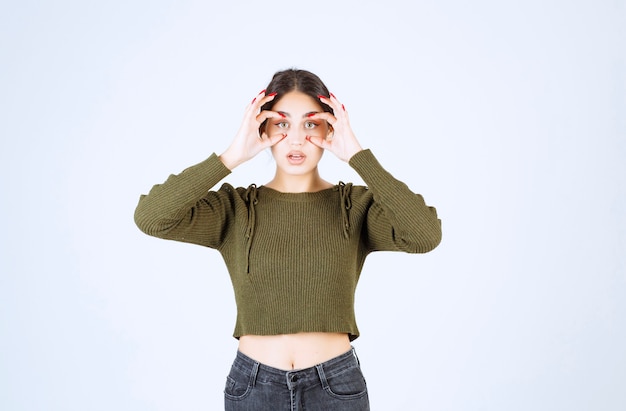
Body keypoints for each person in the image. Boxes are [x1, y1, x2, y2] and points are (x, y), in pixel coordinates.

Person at [134, 69, 442, 410]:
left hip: (336, 386)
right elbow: (152, 218)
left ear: (330, 128)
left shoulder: (355, 206)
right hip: (254, 387)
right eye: (282, 123)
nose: (296, 140)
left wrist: (357, 155)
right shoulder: (235, 208)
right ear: (262, 128)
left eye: (311, 123)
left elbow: (424, 235)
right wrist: (232, 156)